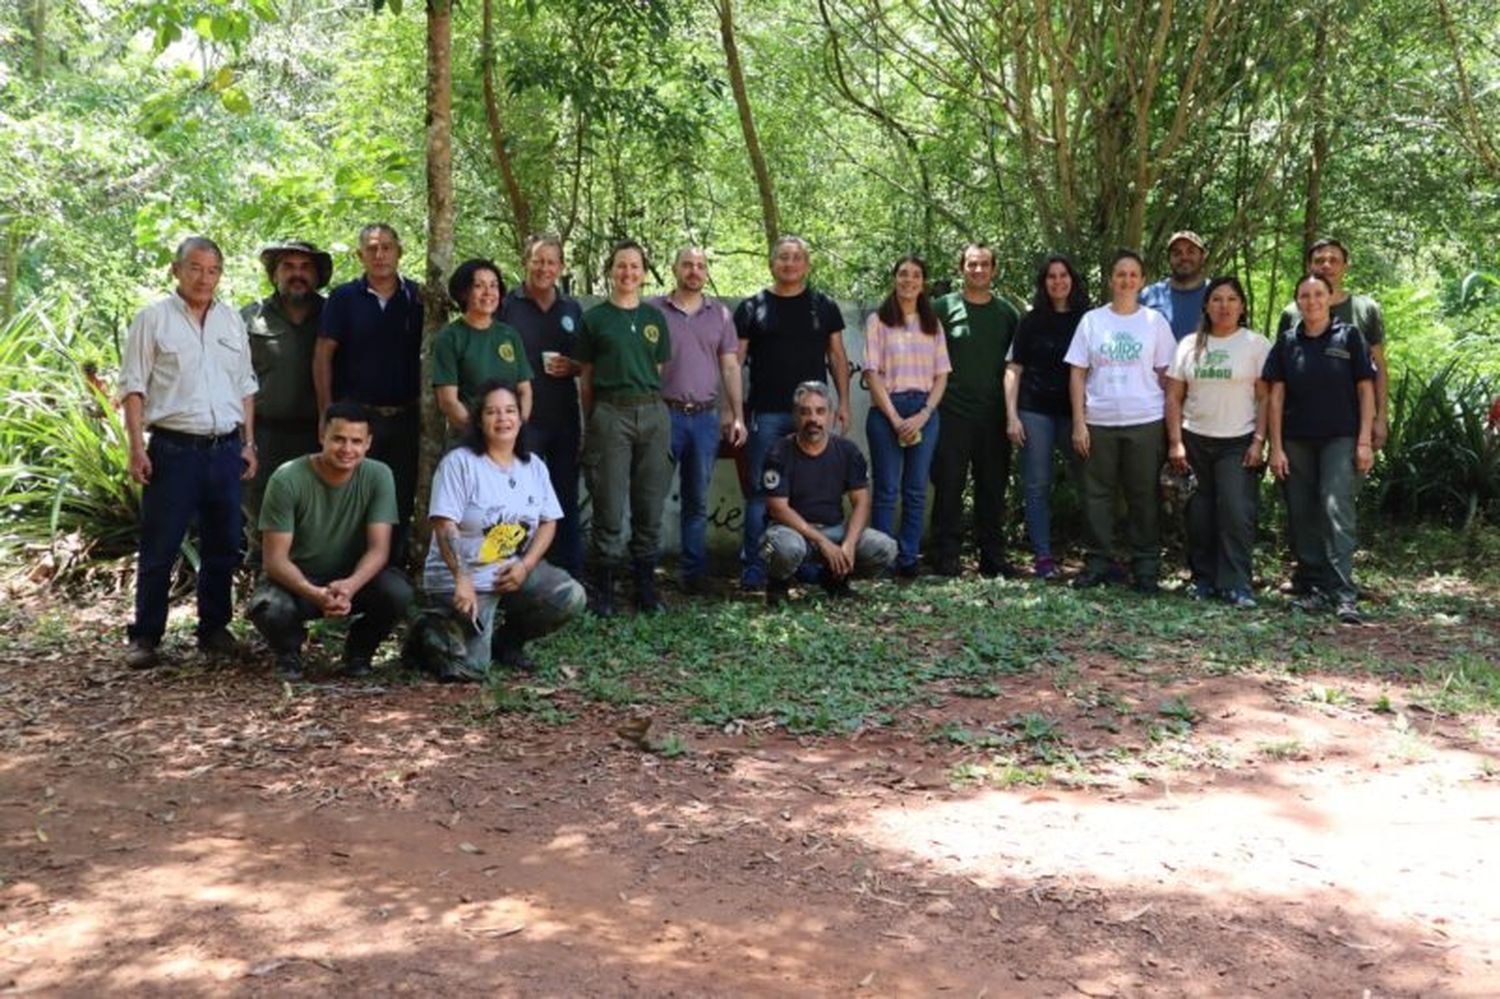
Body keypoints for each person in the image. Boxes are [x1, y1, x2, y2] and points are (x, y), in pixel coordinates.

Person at [120, 236, 258, 668]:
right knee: (160, 545)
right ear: (176, 270)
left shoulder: (232, 321)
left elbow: (246, 387)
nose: (204, 278)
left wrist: (249, 443)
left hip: (224, 449)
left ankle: (213, 629)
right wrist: (135, 448)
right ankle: (146, 636)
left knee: (223, 545)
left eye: (213, 270)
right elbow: (133, 387)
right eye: (195, 268)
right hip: (173, 449)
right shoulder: (153, 319)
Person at [425, 381, 586, 673]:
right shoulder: (459, 463)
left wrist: (525, 566)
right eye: (492, 412)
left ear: (520, 417)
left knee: (569, 596)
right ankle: (426, 632)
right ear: (479, 420)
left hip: (508, 572)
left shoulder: (533, 465)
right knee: (470, 669)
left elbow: (549, 521)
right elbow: (444, 524)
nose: (503, 419)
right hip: (462, 580)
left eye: (510, 410)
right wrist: (462, 578)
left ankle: (507, 643)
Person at [247, 401, 413, 680]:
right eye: (338, 439)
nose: (347, 449)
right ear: (322, 435)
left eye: (356, 441)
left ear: (368, 443)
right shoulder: (287, 478)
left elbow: (379, 550)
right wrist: (314, 593)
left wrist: (350, 585)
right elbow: (274, 560)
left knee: (399, 593)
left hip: (351, 581)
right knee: (269, 607)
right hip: (298, 581)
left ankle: (358, 653)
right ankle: (289, 655)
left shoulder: (378, 475)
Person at [735, 235, 853, 590]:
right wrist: (733, 411)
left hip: (814, 414)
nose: (789, 263)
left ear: (807, 264)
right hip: (766, 413)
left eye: (796, 258)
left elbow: (836, 357)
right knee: (760, 491)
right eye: (783, 258)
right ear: (772, 263)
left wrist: (843, 402)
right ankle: (754, 565)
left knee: (810, 490)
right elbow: (735, 361)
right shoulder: (752, 307)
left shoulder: (823, 306)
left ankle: (805, 564)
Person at [1264, 274, 1376, 625]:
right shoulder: (1286, 342)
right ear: (1297, 301)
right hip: (1296, 440)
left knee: (1335, 508)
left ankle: (1343, 592)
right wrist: (1275, 447)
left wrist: (1364, 440)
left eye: (1318, 295)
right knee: (1301, 512)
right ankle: (1313, 588)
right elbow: (1275, 396)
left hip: (1339, 438)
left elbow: (1366, 391)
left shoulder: (1349, 336)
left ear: (1329, 299)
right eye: (1304, 296)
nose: (1311, 301)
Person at [1066, 249, 1176, 592]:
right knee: (1096, 494)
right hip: (1098, 421)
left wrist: (1171, 426)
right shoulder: (1092, 321)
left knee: (1143, 494)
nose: (1126, 280)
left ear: (1142, 281)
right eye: (1120, 274)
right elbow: (1077, 374)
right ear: (1111, 279)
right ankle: (1098, 561)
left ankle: (1145, 567)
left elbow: (1167, 375)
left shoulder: (1154, 322)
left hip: (1145, 420)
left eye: (1133, 275)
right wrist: (1079, 422)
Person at [314, 223, 423, 562]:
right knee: (355, 495)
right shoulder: (344, 298)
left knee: (400, 497)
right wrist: (326, 412)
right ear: (360, 254)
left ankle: (393, 570)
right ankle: (349, 575)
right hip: (357, 419)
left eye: (387, 247)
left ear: (399, 252)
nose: (380, 254)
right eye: (372, 248)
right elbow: (322, 355)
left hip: (406, 416)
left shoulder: (417, 297)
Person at [578, 240, 673, 615]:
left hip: (652, 413)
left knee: (650, 505)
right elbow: (585, 379)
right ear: (610, 271)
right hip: (609, 413)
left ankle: (646, 587)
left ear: (644, 273)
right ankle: (604, 590)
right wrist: (592, 425)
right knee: (609, 506)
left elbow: (658, 372)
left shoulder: (655, 319)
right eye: (621, 266)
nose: (628, 273)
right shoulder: (595, 319)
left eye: (635, 266)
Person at [1164, 276, 1271, 607]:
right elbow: (1173, 397)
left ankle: (1237, 583)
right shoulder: (1188, 345)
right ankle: (1204, 579)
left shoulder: (1255, 344)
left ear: (1242, 306)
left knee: (1236, 512)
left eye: (1231, 300)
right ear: (1206, 306)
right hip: (1195, 438)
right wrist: (1175, 442)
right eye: (1217, 300)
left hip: (1238, 440)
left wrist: (1259, 440)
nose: (1224, 306)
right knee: (1199, 513)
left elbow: (1266, 398)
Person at [648, 247, 747, 594]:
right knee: (650, 497)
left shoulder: (719, 315)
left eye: (700, 266)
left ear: (706, 273)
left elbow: (731, 367)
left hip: (704, 420)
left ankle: (693, 575)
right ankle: (646, 575)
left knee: (697, 501)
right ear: (674, 268)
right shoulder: (652, 311)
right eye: (687, 264)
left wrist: (735, 414)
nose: (694, 270)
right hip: (662, 415)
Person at [762, 381, 896, 606]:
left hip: (835, 530)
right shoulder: (779, 452)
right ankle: (777, 585)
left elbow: (862, 502)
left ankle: (835, 579)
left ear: (832, 416)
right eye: (805, 412)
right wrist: (822, 542)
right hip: (793, 532)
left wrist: (849, 544)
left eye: (820, 411)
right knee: (785, 548)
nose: (813, 419)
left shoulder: (848, 451)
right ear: (795, 416)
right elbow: (778, 508)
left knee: (885, 548)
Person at [930, 243, 1020, 578]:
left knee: (992, 488)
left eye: (984, 265)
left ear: (993, 269)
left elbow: (1017, 366)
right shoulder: (942, 308)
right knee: (949, 485)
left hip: (994, 415)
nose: (978, 270)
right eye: (972, 264)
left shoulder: (1007, 314)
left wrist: (1013, 412)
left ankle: (992, 558)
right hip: (951, 413)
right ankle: (945, 556)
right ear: (961, 268)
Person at [500, 234, 585, 578]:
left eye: (551, 262)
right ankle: (515, 572)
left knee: (564, 496)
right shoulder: (507, 305)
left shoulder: (572, 309)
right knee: (519, 498)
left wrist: (574, 366)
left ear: (561, 267)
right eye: (538, 260)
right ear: (526, 262)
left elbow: (586, 361)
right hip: (521, 420)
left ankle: (570, 574)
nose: (544, 268)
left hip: (564, 415)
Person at [864, 255, 951, 577]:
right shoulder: (878, 321)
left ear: (923, 283)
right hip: (887, 409)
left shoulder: (933, 324)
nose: (909, 280)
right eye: (903, 274)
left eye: (916, 275)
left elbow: (942, 375)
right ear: (894, 279)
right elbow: (872, 374)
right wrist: (894, 417)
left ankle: (909, 558)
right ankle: (882, 560)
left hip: (924, 411)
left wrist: (924, 413)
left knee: (915, 490)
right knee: (886, 489)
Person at [1005, 254, 1090, 578]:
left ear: (1072, 280)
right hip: (1035, 410)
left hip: (1076, 414)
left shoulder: (1088, 319)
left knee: (1090, 483)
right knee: (1037, 485)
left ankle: (1099, 554)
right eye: (1051, 277)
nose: (1058, 281)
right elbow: (1014, 369)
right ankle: (1043, 556)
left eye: (1063, 275)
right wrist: (1012, 416)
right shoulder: (1031, 321)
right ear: (1044, 283)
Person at [241, 239, 333, 526]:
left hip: (318, 434)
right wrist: (245, 439)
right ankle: (264, 568)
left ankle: (309, 570)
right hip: (265, 434)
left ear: (317, 276)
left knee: (316, 511)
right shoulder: (249, 317)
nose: (297, 274)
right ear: (274, 274)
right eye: (288, 267)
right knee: (263, 511)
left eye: (306, 267)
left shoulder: (334, 314)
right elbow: (234, 379)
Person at [1277, 238, 1389, 449]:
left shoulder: (1365, 308)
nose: (1326, 265)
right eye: (1319, 260)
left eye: (1333, 260)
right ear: (1310, 266)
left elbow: (1380, 367)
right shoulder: (1292, 313)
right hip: (1298, 426)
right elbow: (1279, 376)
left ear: (1345, 266)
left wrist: (1380, 417)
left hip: (1352, 425)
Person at [431, 258, 533, 432]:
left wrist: (516, 427)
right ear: (464, 293)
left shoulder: (509, 335)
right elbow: (448, 401)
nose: (488, 292)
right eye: (479, 286)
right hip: (469, 440)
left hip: (509, 439)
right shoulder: (449, 338)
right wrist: (481, 436)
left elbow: (525, 390)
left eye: (493, 285)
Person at [1140, 230, 1210, 342]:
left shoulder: (1217, 294)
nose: (1184, 257)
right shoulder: (1149, 296)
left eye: (1191, 252)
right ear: (1169, 259)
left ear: (1202, 257)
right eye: (1177, 253)